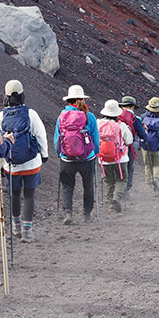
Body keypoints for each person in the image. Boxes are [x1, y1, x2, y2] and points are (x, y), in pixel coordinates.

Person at [0, 79, 49, 242]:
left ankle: (16, 228)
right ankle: (28, 231)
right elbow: (41, 135)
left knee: (14, 195)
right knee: (29, 195)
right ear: (22, 95)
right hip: (31, 162)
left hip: (11, 164)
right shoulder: (31, 114)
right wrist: (44, 154)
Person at [54, 84, 99, 225]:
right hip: (87, 157)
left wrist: (60, 153)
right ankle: (87, 214)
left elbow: (57, 138)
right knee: (88, 186)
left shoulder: (62, 116)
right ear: (83, 99)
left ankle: (68, 213)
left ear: (69, 100)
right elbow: (95, 138)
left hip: (67, 159)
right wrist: (95, 152)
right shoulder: (89, 116)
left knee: (67, 186)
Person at [97, 99, 134, 212]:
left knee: (108, 181)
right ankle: (117, 197)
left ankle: (110, 203)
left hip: (103, 159)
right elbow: (129, 140)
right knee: (122, 179)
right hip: (120, 158)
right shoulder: (121, 125)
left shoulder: (98, 124)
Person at [140, 97, 159, 195]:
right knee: (157, 164)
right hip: (158, 145)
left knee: (148, 165)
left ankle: (149, 184)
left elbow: (140, 131)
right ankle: (156, 179)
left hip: (145, 145)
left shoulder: (143, 117)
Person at [118, 95, 147, 195]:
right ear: (133, 107)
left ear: (122, 106)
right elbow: (142, 135)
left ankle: (116, 191)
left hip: (115, 147)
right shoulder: (135, 119)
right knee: (129, 168)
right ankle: (125, 190)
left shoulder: (115, 116)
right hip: (128, 147)